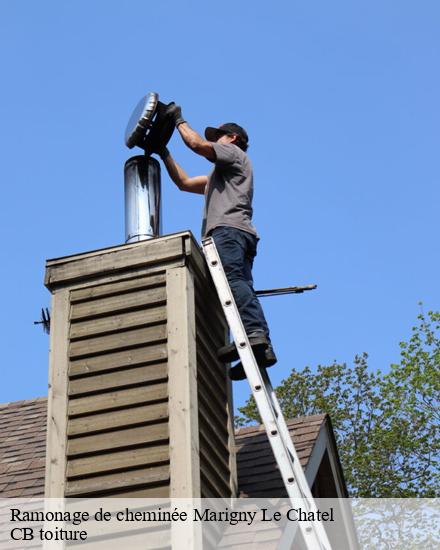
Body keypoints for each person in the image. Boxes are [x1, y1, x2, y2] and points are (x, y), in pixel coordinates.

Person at [154, 103, 276, 380]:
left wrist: (178, 121)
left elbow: (197, 144)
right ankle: (258, 350)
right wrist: (164, 152)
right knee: (236, 286)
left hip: (228, 232)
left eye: (218, 136)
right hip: (237, 233)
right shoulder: (221, 176)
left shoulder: (233, 154)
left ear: (232, 139)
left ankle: (256, 334)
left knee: (234, 283)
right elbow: (184, 183)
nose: (215, 140)